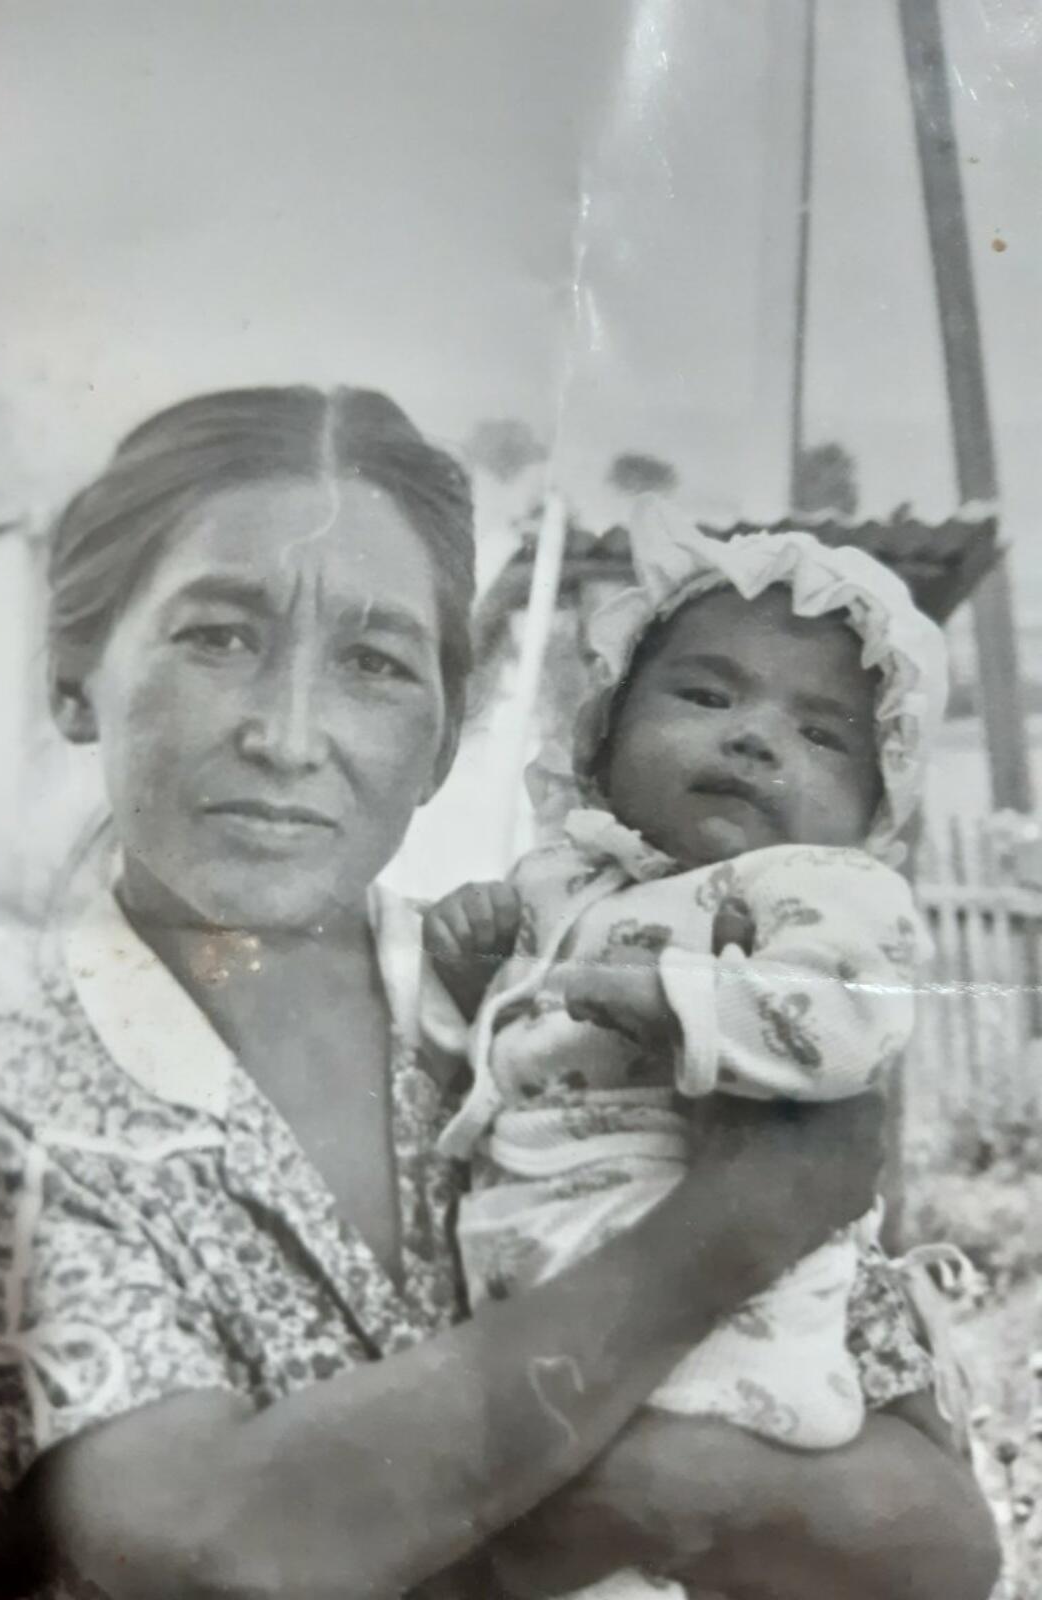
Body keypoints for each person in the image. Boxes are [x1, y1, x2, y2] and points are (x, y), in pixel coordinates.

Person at [0, 390, 998, 1600]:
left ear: (444, 734)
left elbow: (936, 1541)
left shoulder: (530, 993)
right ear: (79, 675)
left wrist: (646, 1482)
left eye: (375, 662)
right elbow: (225, 1551)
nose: (289, 736)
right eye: (220, 637)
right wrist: (728, 1230)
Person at [424, 514, 987, 1595]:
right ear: (603, 733)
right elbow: (504, 1034)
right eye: (707, 696)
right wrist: (471, 970)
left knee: (648, 1489)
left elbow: (840, 1017)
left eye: (822, 733)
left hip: (724, 1299)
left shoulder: (821, 893)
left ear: (874, 804)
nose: (756, 738)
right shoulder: (566, 879)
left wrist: (682, 1002)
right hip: (545, 1257)